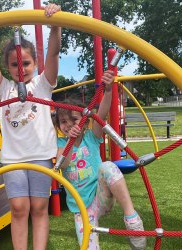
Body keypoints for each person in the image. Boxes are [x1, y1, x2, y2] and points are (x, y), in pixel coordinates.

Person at [0, 3, 61, 250]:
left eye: (27, 63)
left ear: (35, 63)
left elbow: (53, 54)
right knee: (19, 208)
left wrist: (55, 27)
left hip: (41, 155)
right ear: (8, 67)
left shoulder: (43, 84)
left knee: (39, 207)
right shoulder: (4, 89)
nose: (21, 70)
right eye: (14, 65)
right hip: (13, 158)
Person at [55, 72, 147, 250]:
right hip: (81, 209)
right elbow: (62, 164)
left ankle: (132, 219)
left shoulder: (92, 136)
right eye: (63, 121)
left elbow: (102, 112)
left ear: (85, 120)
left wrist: (108, 90)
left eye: (73, 119)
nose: (68, 125)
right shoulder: (60, 143)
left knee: (108, 166)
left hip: (100, 197)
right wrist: (70, 142)